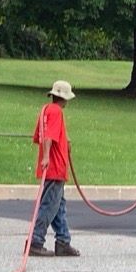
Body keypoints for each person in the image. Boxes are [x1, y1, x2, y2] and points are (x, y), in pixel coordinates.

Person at [30, 81, 81, 258]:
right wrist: (46, 157)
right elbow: (49, 136)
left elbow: (38, 137)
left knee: (58, 205)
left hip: (52, 167)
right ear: (64, 98)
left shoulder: (45, 110)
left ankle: (63, 241)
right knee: (48, 206)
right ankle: (36, 241)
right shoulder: (57, 112)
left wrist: (63, 142)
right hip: (55, 166)